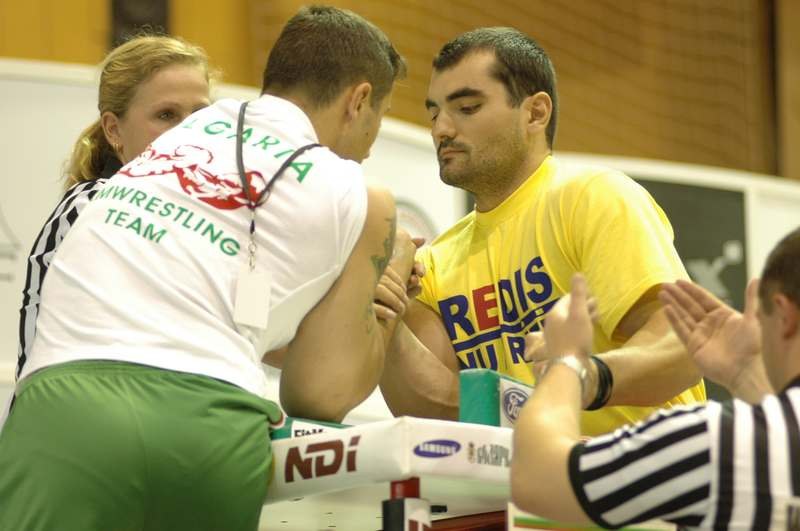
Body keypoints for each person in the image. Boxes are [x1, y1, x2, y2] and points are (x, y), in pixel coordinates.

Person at [0, 6, 413, 531]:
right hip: (208, 422)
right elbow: (318, 394)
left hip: (64, 414)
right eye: (378, 116)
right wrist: (393, 269)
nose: (371, 143)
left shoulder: (178, 137)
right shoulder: (362, 195)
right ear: (359, 101)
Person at [377, 27, 705, 435]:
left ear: (535, 113)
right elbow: (445, 414)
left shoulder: (593, 197)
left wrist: (581, 376)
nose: (441, 129)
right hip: (533, 486)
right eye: (434, 113)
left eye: (466, 107)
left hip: (648, 481)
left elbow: (682, 351)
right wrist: (384, 310)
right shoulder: (433, 264)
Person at [511, 227, 800, 529]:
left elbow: (536, 479)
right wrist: (745, 376)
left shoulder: (717, 441)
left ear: (783, 316)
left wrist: (566, 359)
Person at [16, 34, 213, 382]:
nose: (190, 131)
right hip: (76, 424)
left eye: (201, 114)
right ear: (113, 129)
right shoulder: (92, 205)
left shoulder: (219, 216)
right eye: (166, 115)